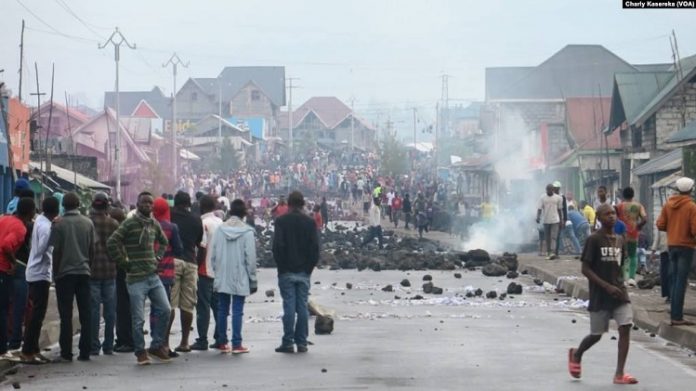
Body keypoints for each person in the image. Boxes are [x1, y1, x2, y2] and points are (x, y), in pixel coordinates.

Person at [567, 204, 637, 385]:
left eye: (613, 213)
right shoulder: (594, 240)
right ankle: (577, 353)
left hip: (620, 293)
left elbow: (622, 265)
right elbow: (585, 268)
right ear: (598, 218)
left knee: (625, 327)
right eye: (607, 214)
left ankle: (619, 373)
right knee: (597, 334)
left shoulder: (620, 239)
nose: (611, 217)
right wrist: (606, 286)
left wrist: (623, 282)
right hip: (600, 294)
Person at [107, 192, 172, 365]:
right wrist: (124, 263)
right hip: (135, 279)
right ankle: (140, 351)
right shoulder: (129, 223)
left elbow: (164, 242)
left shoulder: (153, 224)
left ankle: (157, 345)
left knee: (166, 309)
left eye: (150, 203)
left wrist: (157, 257)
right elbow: (112, 243)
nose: (148, 205)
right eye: (144, 202)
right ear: (138, 203)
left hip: (152, 276)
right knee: (138, 319)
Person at [272, 191, 320, 353]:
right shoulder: (310, 222)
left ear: (289, 204)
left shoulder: (281, 221)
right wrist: (308, 268)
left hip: (286, 271)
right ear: (303, 204)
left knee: (289, 307)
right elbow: (315, 249)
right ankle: (302, 342)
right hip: (304, 271)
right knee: (302, 307)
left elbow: (277, 247)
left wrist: (282, 266)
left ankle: (287, 341)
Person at [51, 192, 95, 362]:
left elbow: (56, 251)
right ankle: (85, 352)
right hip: (84, 273)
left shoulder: (58, 225)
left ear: (64, 205)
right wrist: (88, 267)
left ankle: (66, 352)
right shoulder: (88, 223)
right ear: (78, 204)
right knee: (86, 313)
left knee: (66, 315)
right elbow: (92, 250)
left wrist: (56, 273)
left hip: (64, 274)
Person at [211, 199, 258, 354]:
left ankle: (222, 343)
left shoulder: (220, 230)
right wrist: (253, 279)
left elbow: (214, 254)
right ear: (244, 213)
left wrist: (216, 272)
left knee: (222, 309)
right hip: (240, 276)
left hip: (223, 274)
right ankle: (237, 344)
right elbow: (250, 259)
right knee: (238, 310)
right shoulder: (247, 232)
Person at [20, 197, 59, 364]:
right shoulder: (46, 226)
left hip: (37, 272)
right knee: (37, 315)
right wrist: (54, 234)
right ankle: (28, 351)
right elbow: (44, 248)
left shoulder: (41, 221)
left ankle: (34, 349)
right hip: (39, 273)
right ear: (56, 211)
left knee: (38, 314)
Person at [656, 177, 696, 327]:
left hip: (671, 245)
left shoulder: (668, 204)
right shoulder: (691, 207)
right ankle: (677, 316)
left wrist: (673, 229)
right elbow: (694, 229)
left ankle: (674, 313)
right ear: (691, 190)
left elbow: (660, 224)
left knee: (674, 279)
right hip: (686, 247)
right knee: (681, 281)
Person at [0, 198, 35, 359]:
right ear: (30, 212)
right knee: (8, 307)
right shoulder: (21, 228)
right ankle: (7, 345)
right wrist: (13, 262)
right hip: (5, 268)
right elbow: (6, 245)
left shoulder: (5, 219)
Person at [170, 191, 203, 352]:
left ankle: (163, 342)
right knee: (187, 304)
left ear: (175, 203)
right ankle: (184, 342)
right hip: (190, 261)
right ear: (189, 204)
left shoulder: (169, 217)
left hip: (172, 261)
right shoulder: (196, 220)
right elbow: (198, 242)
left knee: (169, 303)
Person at [88, 192, 120, 356]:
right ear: (107, 205)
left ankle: (94, 346)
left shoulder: (87, 222)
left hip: (92, 271)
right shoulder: (113, 223)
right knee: (110, 311)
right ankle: (108, 345)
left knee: (93, 311)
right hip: (109, 270)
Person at [152, 197, 183, 357]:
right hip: (166, 272)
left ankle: (154, 339)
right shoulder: (171, 227)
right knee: (164, 309)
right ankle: (160, 343)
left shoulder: (148, 226)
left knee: (153, 309)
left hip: (150, 271)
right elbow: (179, 250)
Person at [194, 195, 223, 350]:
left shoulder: (203, 223)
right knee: (217, 305)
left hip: (205, 270)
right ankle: (220, 337)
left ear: (201, 206)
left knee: (203, 306)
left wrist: (197, 266)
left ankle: (202, 339)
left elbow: (202, 247)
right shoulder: (221, 222)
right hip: (220, 270)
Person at [615, 187, 647, 287]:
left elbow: (614, 219)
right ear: (633, 195)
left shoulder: (619, 206)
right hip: (634, 233)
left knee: (622, 256)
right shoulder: (638, 206)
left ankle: (622, 278)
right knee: (633, 255)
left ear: (623, 196)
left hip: (621, 235)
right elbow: (645, 219)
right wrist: (639, 226)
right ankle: (632, 278)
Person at [536, 184, 563, 260]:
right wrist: (538, 217)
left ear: (553, 190)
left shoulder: (558, 198)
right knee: (547, 238)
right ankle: (548, 252)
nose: (548, 191)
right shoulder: (542, 197)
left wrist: (561, 220)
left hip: (555, 220)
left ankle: (552, 252)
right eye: (547, 190)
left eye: (550, 190)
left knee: (553, 237)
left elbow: (559, 210)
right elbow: (539, 209)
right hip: (546, 220)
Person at [650, 228, 670, 303]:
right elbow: (657, 237)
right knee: (664, 273)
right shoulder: (662, 220)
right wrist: (653, 250)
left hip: (675, 248)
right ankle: (668, 295)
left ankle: (672, 295)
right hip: (664, 250)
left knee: (672, 274)